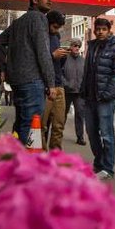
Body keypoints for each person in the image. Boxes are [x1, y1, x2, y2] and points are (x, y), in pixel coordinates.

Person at [0, 0, 56, 146]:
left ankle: (14, 153)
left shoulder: (18, 22)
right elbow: (43, 52)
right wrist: (51, 83)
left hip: (17, 81)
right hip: (32, 81)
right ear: (35, 0)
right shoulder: (39, 19)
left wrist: (4, 68)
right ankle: (21, 158)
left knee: (21, 122)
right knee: (29, 126)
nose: (50, 0)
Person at [80, 17, 115, 180]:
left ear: (109, 31)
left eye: (103, 29)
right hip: (90, 97)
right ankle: (99, 163)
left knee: (106, 134)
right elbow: (87, 72)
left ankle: (108, 168)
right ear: (94, 31)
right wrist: (83, 91)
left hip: (105, 99)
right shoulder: (92, 47)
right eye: (98, 29)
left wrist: (107, 94)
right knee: (91, 132)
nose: (100, 32)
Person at [41, 10, 68, 151]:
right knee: (41, 125)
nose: (56, 30)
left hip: (59, 85)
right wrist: (53, 55)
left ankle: (55, 155)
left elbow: (58, 64)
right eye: (55, 27)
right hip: (45, 86)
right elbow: (36, 60)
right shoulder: (41, 36)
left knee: (59, 125)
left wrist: (62, 56)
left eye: (59, 28)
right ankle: (41, 155)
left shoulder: (56, 36)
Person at [62, 38, 87, 146]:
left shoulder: (83, 61)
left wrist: (83, 87)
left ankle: (80, 137)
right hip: (66, 92)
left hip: (79, 93)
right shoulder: (64, 59)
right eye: (75, 45)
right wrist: (66, 84)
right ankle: (58, 134)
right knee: (62, 114)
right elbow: (60, 74)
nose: (77, 48)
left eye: (78, 46)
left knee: (80, 115)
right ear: (71, 47)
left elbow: (87, 76)